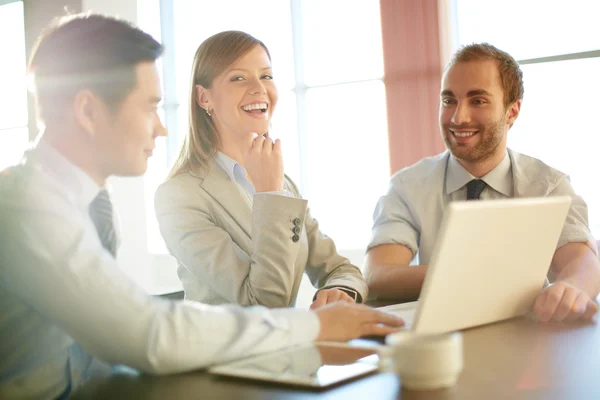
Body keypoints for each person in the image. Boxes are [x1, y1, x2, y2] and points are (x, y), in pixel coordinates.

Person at [0, 14, 403, 399]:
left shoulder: (82, 202)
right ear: (88, 111)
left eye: (266, 75)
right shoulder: (29, 208)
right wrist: (313, 324)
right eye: (149, 106)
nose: (160, 126)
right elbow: (148, 335)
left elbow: (93, 349)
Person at [365, 43, 600, 323]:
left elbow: (583, 263)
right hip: (442, 341)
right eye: (448, 100)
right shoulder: (408, 186)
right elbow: (378, 274)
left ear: (512, 112)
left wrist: (572, 288)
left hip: (528, 343)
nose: (457, 117)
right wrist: (474, 274)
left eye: (478, 101)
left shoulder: (548, 185)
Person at [154, 31, 367, 309]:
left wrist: (341, 290)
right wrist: (270, 193)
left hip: (286, 346)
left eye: (266, 76)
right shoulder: (179, 196)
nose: (259, 88)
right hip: (227, 351)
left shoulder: (282, 182)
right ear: (204, 97)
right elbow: (265, 303)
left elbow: (342, 269)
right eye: (238, 78)